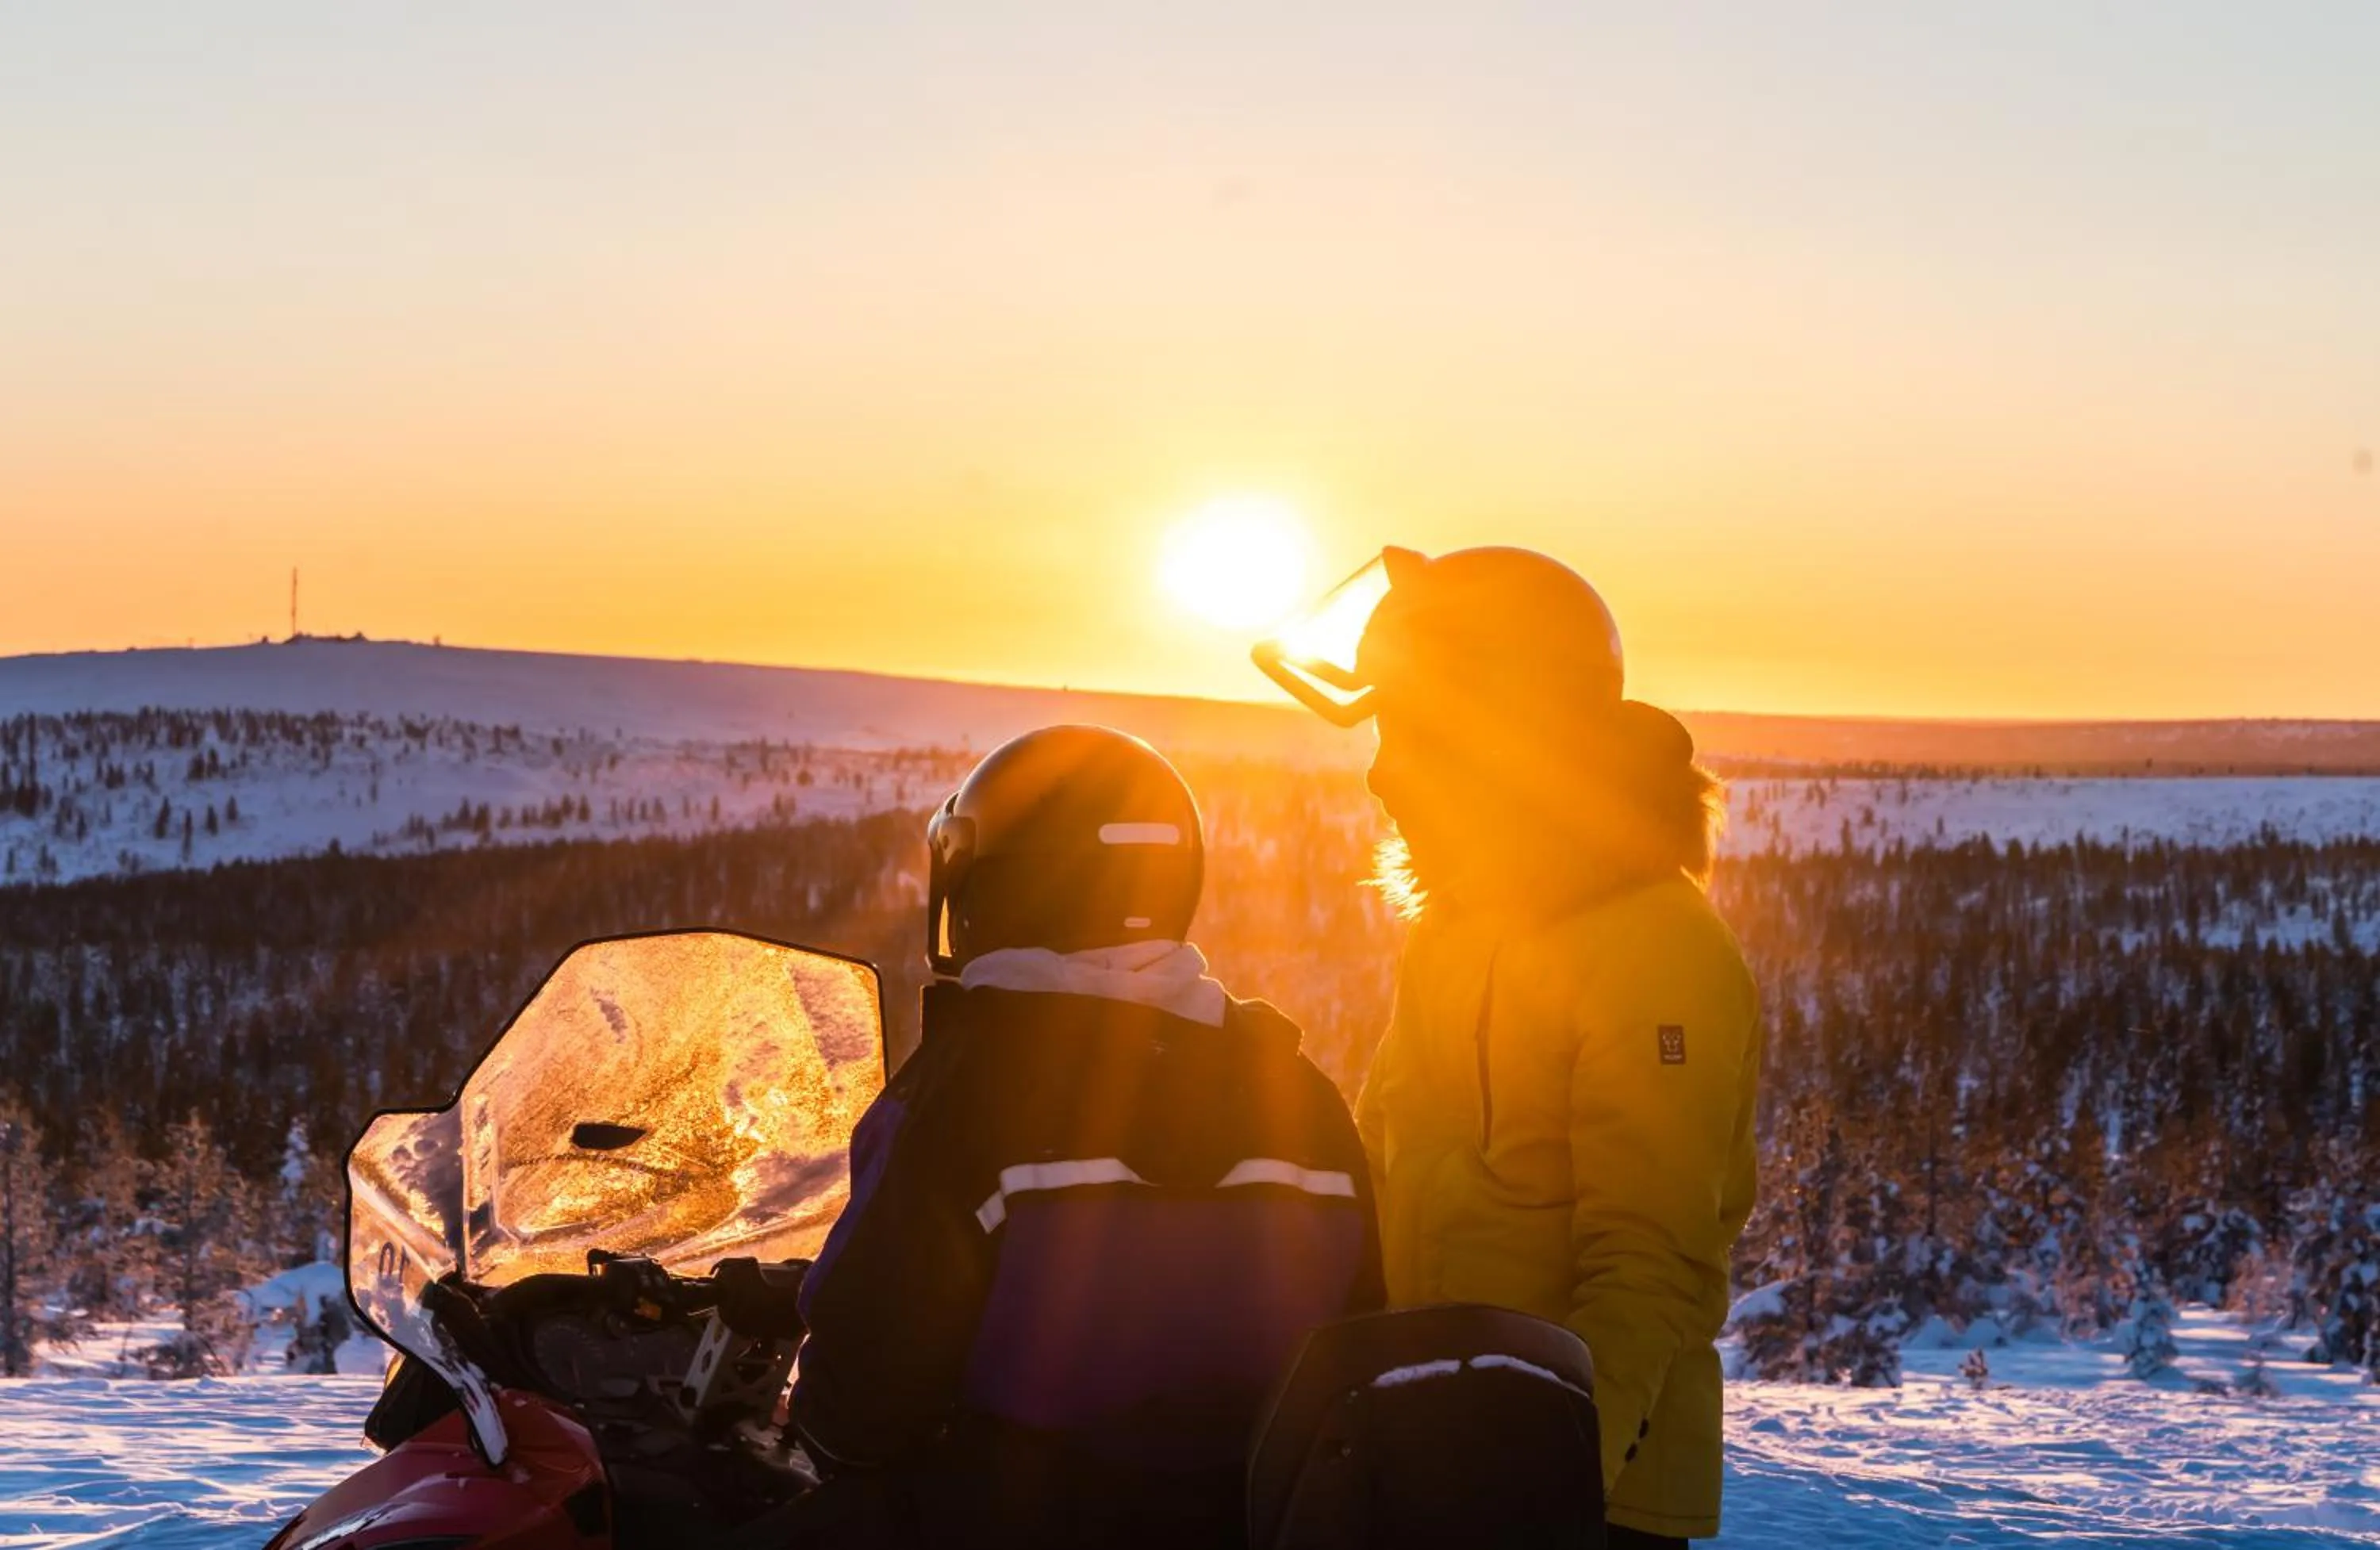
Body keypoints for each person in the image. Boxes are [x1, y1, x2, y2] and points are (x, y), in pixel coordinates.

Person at [1257, 547, 1761, 1548]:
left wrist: (1547, 1484)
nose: (1379, 769)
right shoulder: (1459, 925)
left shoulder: (1654, 948)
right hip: (1430, 1453)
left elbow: (1649, 1267)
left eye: (1409, 728)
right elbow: (1390, 1161)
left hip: (1581, 1494)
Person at [789, 724, 1384, 1549]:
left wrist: (806, 1421)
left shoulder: (960, 1096)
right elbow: (1357, 1351)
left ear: (991, 884)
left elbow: (861, 1399)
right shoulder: (1303, 1099)